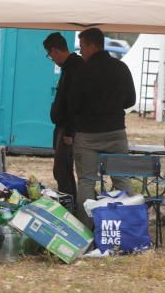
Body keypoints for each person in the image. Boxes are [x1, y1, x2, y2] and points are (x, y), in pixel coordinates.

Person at [69, 27, 137, 226]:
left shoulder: (82, 71)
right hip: (116, 132)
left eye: (82, 47)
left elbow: (73, 104)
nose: (80, 51)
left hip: (87, 134)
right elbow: (130, 100)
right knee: (122, 179)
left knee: (86, 181)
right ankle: (129, 225)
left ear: (92, 45)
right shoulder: (120, 67)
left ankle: (86, 227)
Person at [44, 32, 83, 210]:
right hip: (63, 126)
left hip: (67, 128)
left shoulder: (74, 67)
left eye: (50, 54)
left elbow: (74, 102)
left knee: (62, 169)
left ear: (55, 50)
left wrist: (69, 132)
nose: (51, 58)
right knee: (61, 169)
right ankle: (70, 203)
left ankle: (69, 206)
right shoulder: (69, 67)